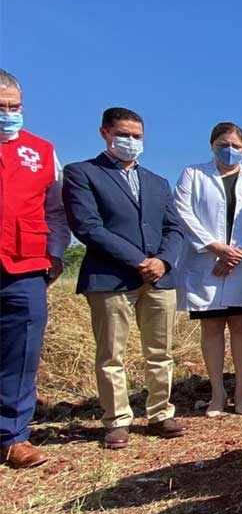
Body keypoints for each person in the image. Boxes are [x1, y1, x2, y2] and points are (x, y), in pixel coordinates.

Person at [63, 107, 186, 449]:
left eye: (137, 136)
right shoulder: (82, 173)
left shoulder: (157, 182)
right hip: (111, 277)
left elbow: (173, 227)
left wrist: (162, 260)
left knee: (160, 351)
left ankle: (161, 412)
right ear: (105, 133)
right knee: (111, 354)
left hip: (159, 279)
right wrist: (138, 260)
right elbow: (88, 227)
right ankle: (117, 419)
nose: (131, 141)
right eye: (124, 134)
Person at [173, 122, 242, 416]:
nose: (230, 150)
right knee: (213, 327)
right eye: (223, 144)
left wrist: (237, 252)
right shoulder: (193, 175)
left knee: (241, 326)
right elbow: (182, 211)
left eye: (236, 146)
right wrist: (215, 247)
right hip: (207, 261)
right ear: (212, 146)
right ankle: (218, 392)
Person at [0, 69, 71, 468]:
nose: (8, 114)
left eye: (15, 107)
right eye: (1, 108)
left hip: (25, 264)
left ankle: (12, 436)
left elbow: (56, 210)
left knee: (21, 351)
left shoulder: (41, 151)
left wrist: (56, 252)